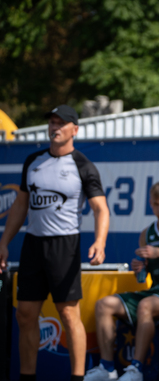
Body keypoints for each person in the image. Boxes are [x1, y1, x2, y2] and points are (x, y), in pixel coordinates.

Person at [0, 105, 110, 381]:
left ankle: (77, 378)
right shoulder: (33, 161)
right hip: (33, 245)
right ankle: (27, 377)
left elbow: (101, 209)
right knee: (24, 314)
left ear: (75, 129)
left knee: (69, 314)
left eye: (61, 123)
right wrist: (3, 243)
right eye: (52, 122)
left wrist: (100, 241)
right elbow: (20, 206)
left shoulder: (83, 165)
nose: (55, 127)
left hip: (65, 246)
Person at [84, 181, 159, 381]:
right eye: (156, 204)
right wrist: (140, 269)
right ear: (150, 203)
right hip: (155, 290)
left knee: (146, 306)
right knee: (104, 305)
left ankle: (136, 369)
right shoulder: (146, 233)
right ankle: (107, 367)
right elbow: (141, 280)